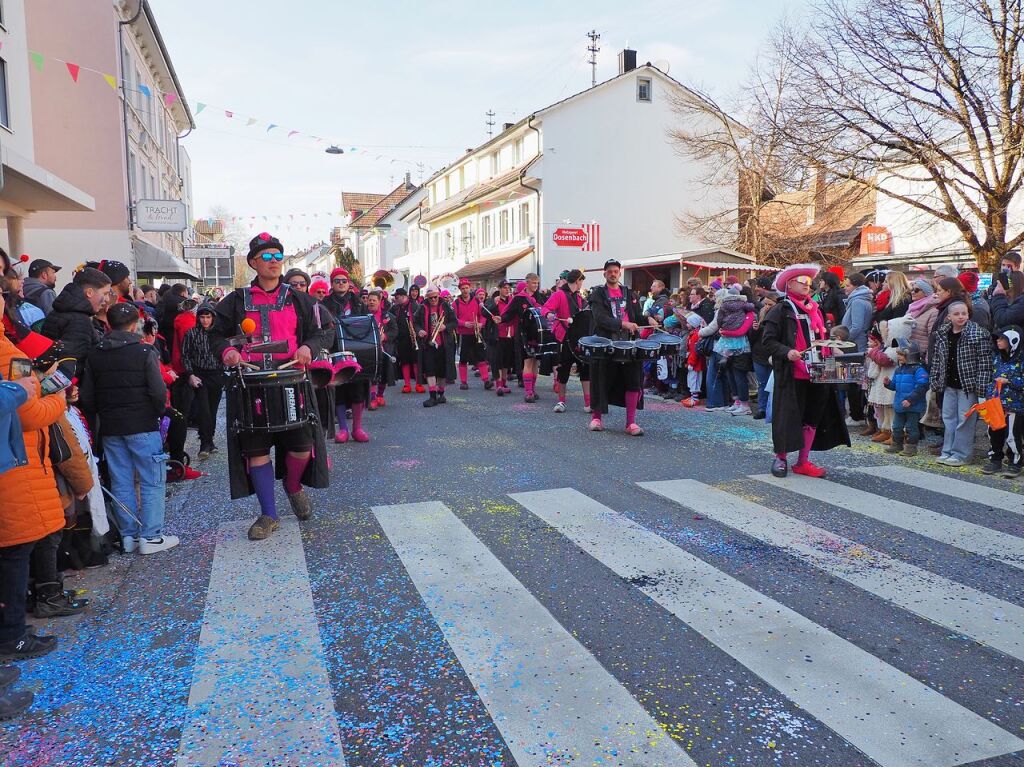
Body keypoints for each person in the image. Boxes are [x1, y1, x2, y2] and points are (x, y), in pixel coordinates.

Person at [210, 233, 333, 540]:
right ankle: (269, 514)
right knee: (256, 451)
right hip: (251, 385)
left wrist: (309, 347)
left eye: (278, 256)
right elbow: (215, 336)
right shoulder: (236, 300)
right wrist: (228, 351)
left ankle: (293, 485)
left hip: (293, 380)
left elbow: (321, 333)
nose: (274, 262)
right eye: (267, 257)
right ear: (253, 262)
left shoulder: (298, 298)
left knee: (303, 447)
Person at [0, 286, 67, 671]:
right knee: (14, 553)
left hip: (18, 459)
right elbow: (26, 412)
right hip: (14, 464)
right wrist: (58, 397)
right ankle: (11, 634)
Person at [79, 303, 178, 555]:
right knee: (152, 480)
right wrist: (158, 412)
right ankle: (151, 536)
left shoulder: (95, 353)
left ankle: (128, 536)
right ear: (135, 325)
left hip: (111, 426)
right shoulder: (144, 351)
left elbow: (88, 397)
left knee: (121, 481)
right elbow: (158, 392)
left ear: (109, 324)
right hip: (142, 423)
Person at [761, 263, 850, 478]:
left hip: (819, 370)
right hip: (792, 373)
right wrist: (787, 352)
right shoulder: (780, 310)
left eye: (810, 283)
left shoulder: (815, 309)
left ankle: (803, 461)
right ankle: (781, 458)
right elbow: (768, 341)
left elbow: (819, 336)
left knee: (813, 417)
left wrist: (832, 347)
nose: (808, 287)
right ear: (790, 284)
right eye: (804, 282)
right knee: (787, 417)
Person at [587, 258, 657, 435]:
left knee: (633, 380)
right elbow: (600, 318)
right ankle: (596, 419)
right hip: (605, 343)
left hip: (629, 343)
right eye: (609, 271)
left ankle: (631, 423)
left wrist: (647, 319)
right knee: (601, 379)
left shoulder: (629, 293)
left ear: (619, 273)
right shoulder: (597, 294)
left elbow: (636, 316)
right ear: (604, 274)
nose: (612, 274)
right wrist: (622, 324)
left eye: (615, 271)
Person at [929, 300, 992, 466]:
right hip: (949, 383)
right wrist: (935, 381)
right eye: (956, 314)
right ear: (949, 316)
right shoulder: (943, 334)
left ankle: (962, 453)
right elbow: (937, 359)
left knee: (965, 419)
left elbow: (985, 363)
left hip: (968, 385)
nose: (961, 317)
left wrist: (981, 388)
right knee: (949, 418)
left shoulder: (978, 334)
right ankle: (948, 450)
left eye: (964, 313)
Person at [323, 267, 371, 443]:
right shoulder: (325, 304)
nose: (341, 284)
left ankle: (357, 428)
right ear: (332, 284)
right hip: (335, 350)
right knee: (340, 389)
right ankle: (343, 429)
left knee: (358, 390)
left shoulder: (358, 303)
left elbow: (367, 323)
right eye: (337, 281)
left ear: (348, 283)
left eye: (344, 281)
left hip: (356, 350)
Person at [41, 267, 111, 378]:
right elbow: (74, 363)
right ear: (89, 292)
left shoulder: (59, 312)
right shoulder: (79, 321)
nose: (107, 299)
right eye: (105, 293)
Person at [542, 269, 591, 413]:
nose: (582, 284)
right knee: (564, 370)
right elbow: (545, 308)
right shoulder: (559, 294)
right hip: (564, 337)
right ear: (578, 280)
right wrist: (549, 314)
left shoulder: (580, 298)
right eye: (582, 281)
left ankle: (588, 403)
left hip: (580, 338)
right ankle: (561, 401)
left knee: (585, 369)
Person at [180, 303, 225, 459]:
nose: (205, 320)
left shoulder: (219, 334)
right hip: (200, 374)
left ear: (213, 318)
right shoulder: (191, 333)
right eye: (202, 317)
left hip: (217, 374)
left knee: (212, 411)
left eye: (208, 317)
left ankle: (209, 440)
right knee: (204, 410)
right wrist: (190, 374)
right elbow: (185, 355)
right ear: (198, 318)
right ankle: (204, 443)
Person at [982, 326, 1024, 477]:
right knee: (993, 432)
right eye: (998, 339)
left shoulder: (1021, 359)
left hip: (1014, 405)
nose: (998, 342)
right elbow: (991, 379)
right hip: (996, 403)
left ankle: (1015, 462)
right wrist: (988, 397)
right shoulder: (997, 358)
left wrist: (1009, 381)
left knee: (1012, 435)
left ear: (1013, 341)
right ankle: (995, 459)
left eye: (1002, 339)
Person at [883, 340, 929, 456]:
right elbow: (895, 386)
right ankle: (896, 444)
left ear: (910, 355)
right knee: (897, 427)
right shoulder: (899, 370)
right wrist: (888, 384)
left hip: (912, 405)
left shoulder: (919, 370)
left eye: (901, 354)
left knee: (911, 428)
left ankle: (911, 447)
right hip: (900, 404)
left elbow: (922, 386)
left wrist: (910, 400)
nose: (898, 357)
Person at [416, 286, 456, 407]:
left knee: (442, 371)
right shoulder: (422, 307)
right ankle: (432, 396)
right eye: (431, 297)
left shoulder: (446, 306)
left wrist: (446, 327)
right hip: (429, 344)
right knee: (430, 370)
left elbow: (454, 322)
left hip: (444, 343)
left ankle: (441, 394)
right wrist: (419, 330)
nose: (433, 299)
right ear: (427, 297)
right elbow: (415, 322)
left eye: (436, 297)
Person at [452, 278, 492, 391]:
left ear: (470, 288)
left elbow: (483, 315)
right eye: (463, 288)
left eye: (467, 288)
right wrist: (464, 323)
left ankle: (486, 380)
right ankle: (463, 382)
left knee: (481, 356)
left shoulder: (477, 301)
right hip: (463, 334)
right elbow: (453, 319)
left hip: (476, 333)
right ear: (460, 289)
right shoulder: (455, 303)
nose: (465, 290)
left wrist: (481, 324)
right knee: (463, 358)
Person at [363, 289, 396, 409]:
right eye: (369, 300)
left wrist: (385, 336)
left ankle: (380, 395)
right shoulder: (362, 316)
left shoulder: (388, 316)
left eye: (374, 300)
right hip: (368, 348)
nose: (371, 302)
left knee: (383, 373)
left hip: (384, 348)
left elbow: (394, 331)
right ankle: (372, 398)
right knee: (372, 374)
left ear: (379, 301)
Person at [390, 288, 424, 394]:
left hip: (414, 337)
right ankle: (407, 384)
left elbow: (420, 320)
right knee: (405, 361)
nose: (395, 299)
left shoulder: (415, 305)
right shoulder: (395, 308)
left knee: (415, 361)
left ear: (403, 296)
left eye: (397, 297)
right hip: (402, 338)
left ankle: (419, 384)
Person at [488, 280, 516, 396]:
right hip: (498, 335)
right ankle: (498, 385)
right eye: (505, 287)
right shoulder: (494, 301)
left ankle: (503, 384)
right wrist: (494, 304)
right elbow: (484, 313)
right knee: (497, 362)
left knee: (506, 362)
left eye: (508, 288)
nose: (507, 290)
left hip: (510, 335)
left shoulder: (513, 300)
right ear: (499, 289)